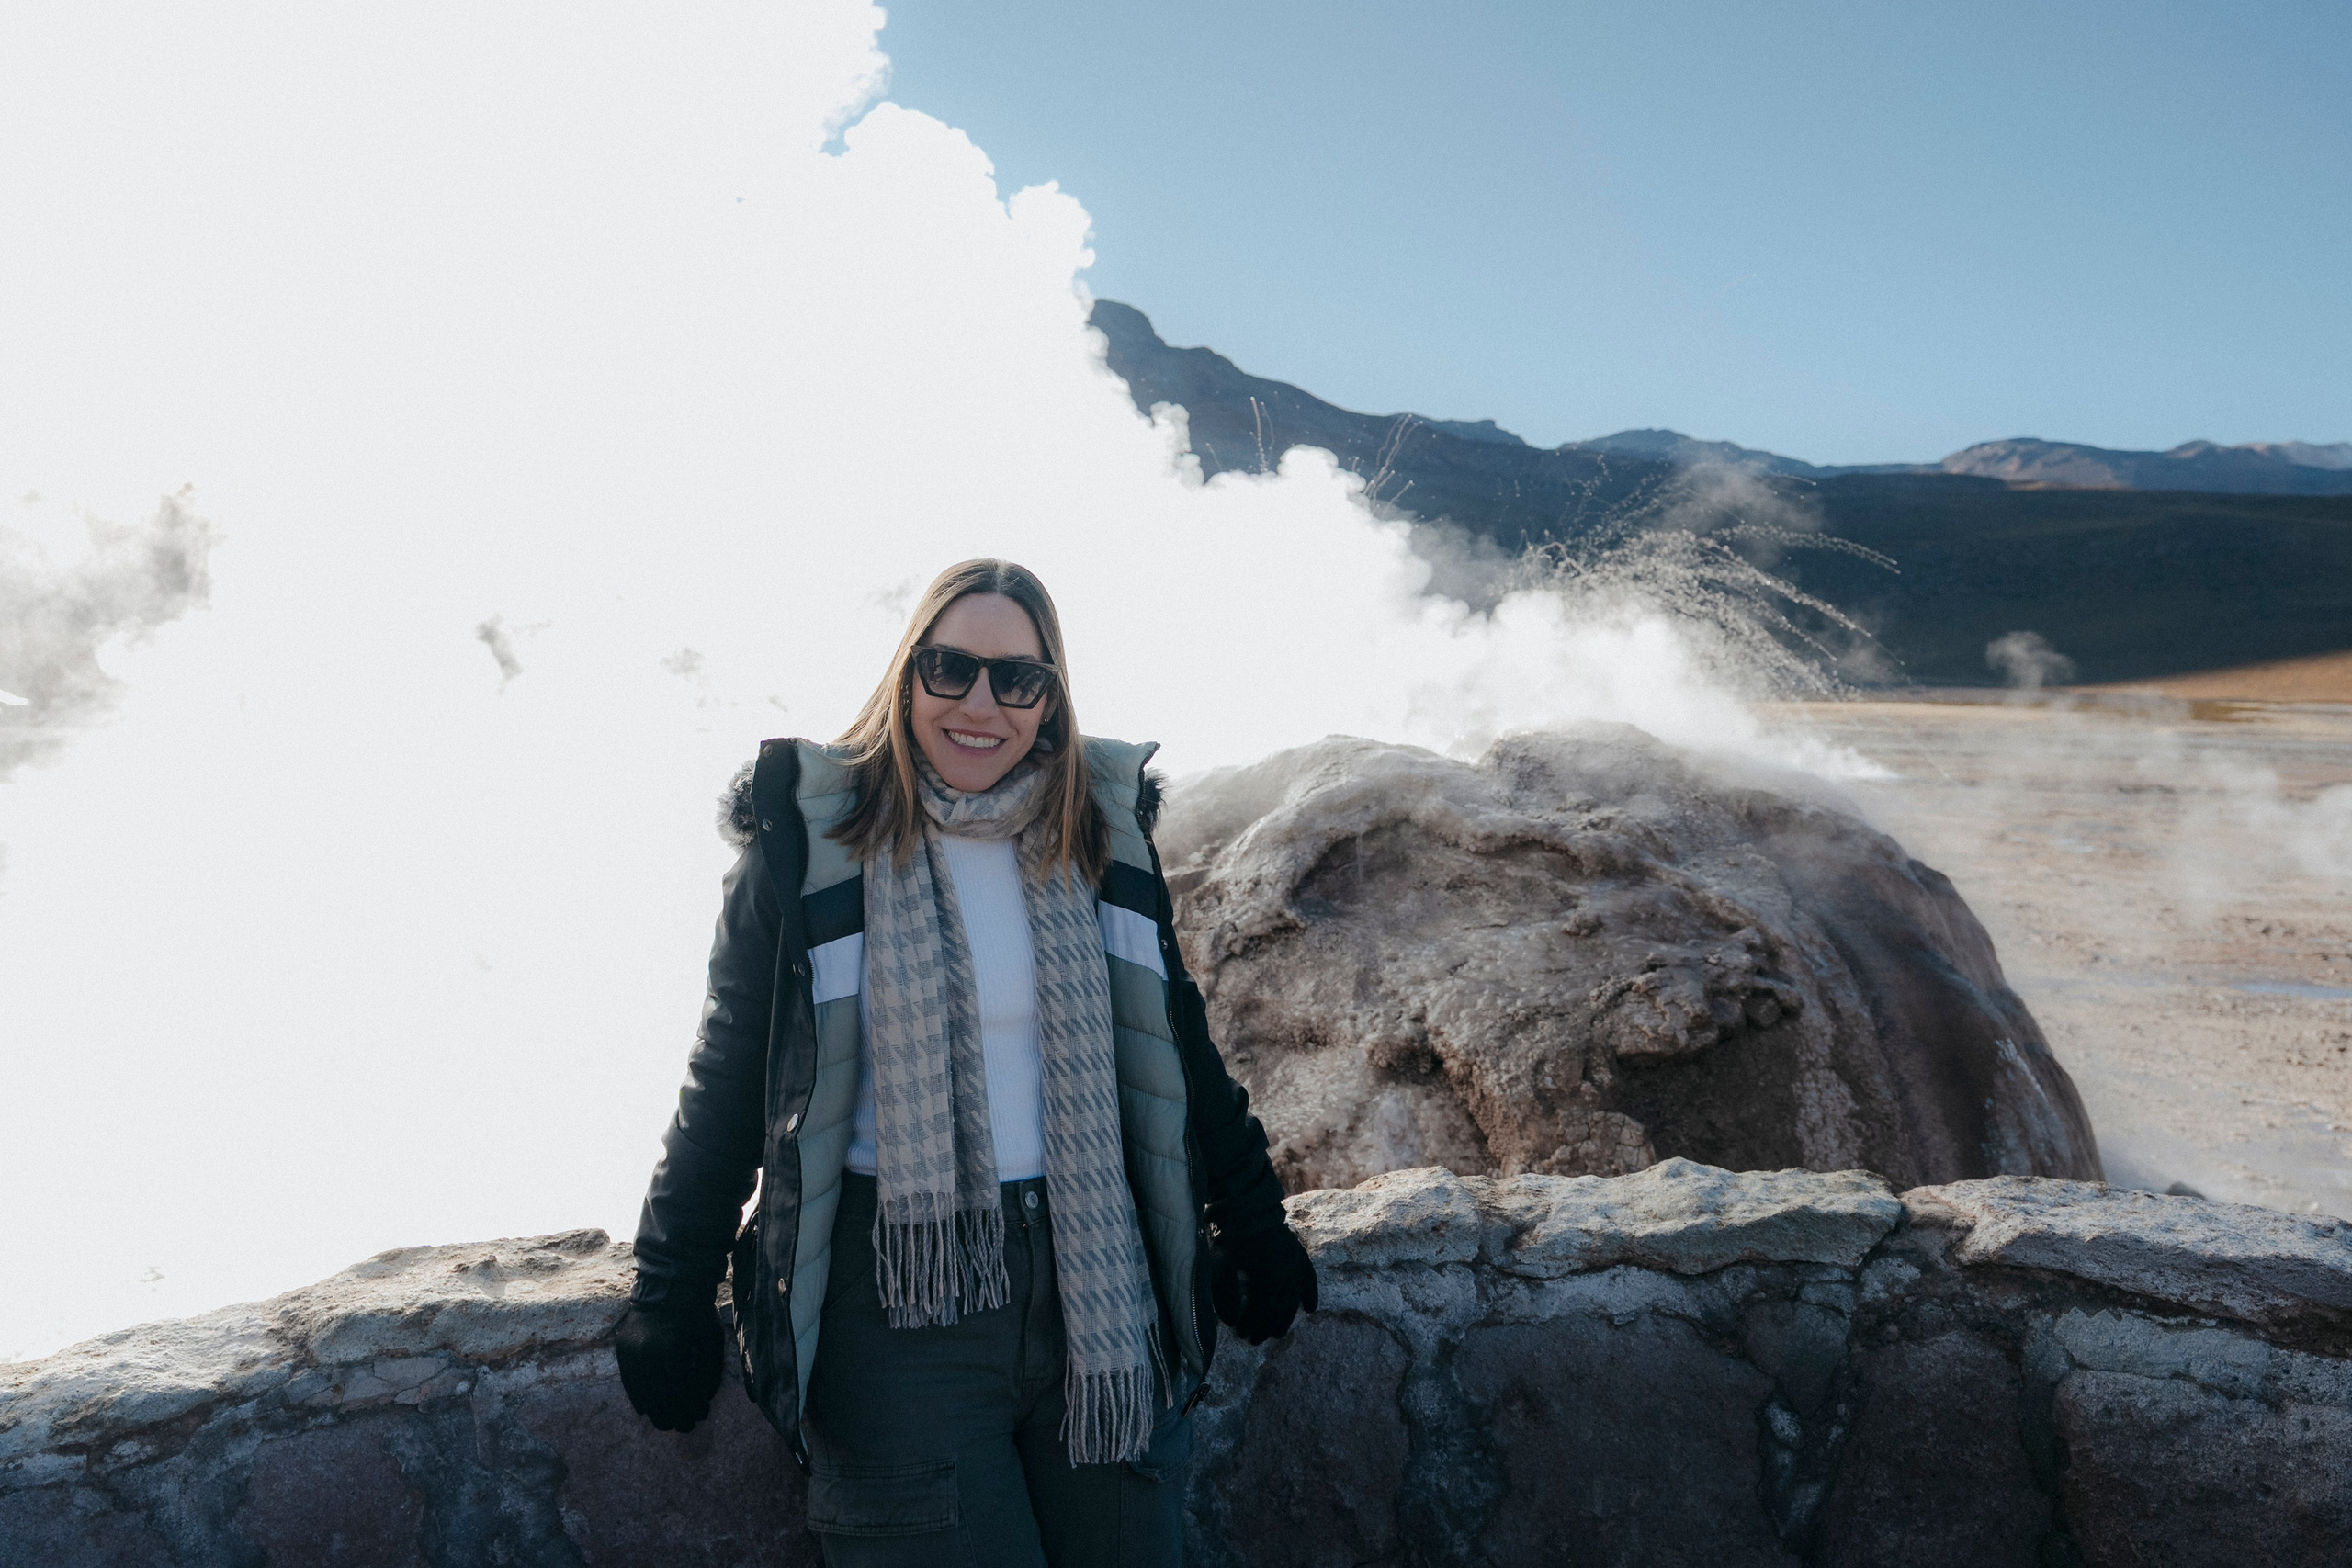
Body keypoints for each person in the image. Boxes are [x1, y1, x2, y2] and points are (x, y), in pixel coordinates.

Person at [614, 558, 1317, 1567]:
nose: (980, 703)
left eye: (1017, 680)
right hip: (899, 1301)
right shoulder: (811, 845)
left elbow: (1173, 1043)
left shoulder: (1096, 836)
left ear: (1049, 699)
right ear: (906, 678)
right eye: (950, 669)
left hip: (1097, 1284)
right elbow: (732, 1076)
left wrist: (1252, 1224)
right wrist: (670, 1290)